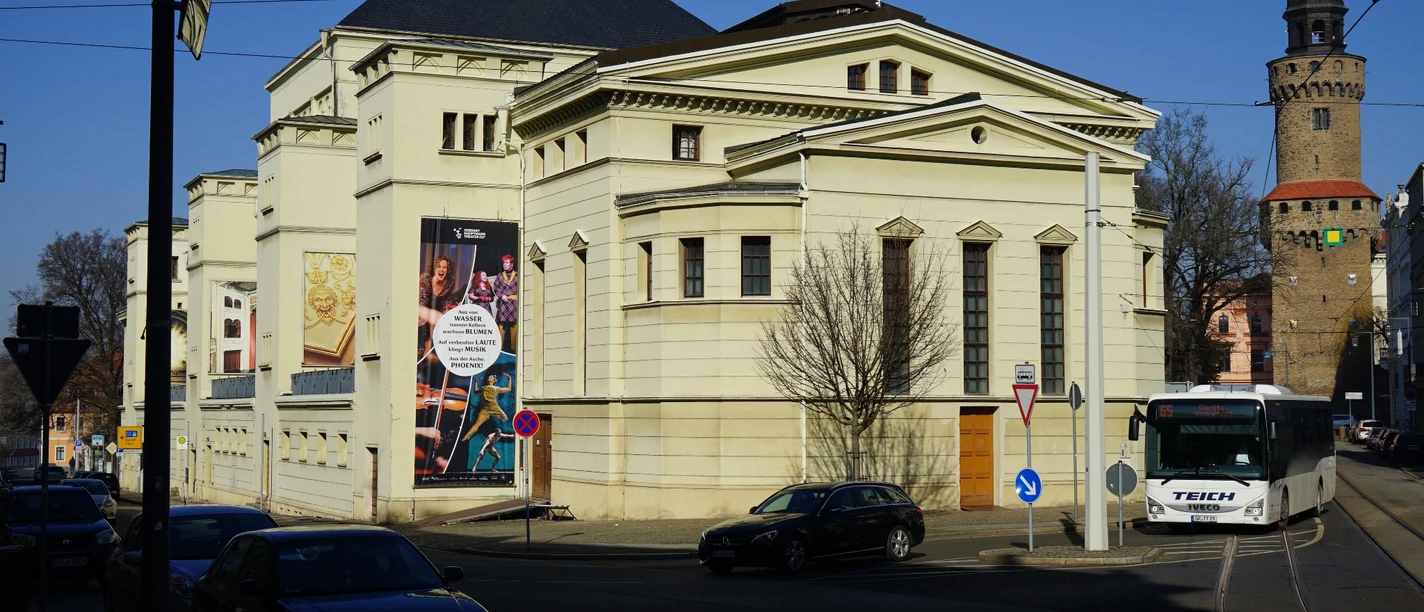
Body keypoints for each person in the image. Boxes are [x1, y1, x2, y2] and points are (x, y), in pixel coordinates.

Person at [460, 373, 513, 470]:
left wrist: (509, 378)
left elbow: (508, 389)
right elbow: (476, 391)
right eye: (489, 376)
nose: (490, 377)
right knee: (477, 423)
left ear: (494, 381)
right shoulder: (484, 387)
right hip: (485, 409)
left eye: (491, 377)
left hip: (493, 407)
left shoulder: (496, 388)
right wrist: (476, 382)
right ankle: (466, 437)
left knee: (505, 418)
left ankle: (498, 421)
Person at [490, 254, 518, 353]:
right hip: (503, 303)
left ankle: (514, 348)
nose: (504, 265)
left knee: (514, 325)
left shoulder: (518, 275)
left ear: (511, 264)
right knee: (501, 324)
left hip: (514, 304)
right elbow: (495, 288)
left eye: (506, 263)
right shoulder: (500, 276)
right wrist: (501, 296)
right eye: (504, 263)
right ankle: (500, 347)